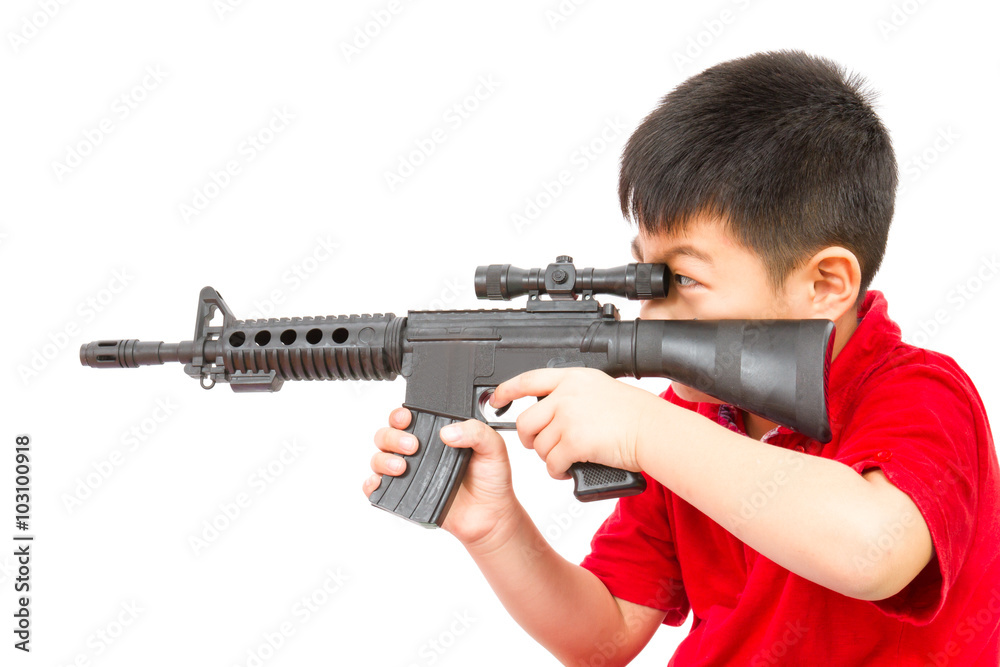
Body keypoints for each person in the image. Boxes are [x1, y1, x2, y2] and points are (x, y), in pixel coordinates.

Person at [363, 50, 999, 665]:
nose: (652, 308)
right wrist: (498, 531)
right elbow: (603, 637)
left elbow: (874, 550)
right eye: (646, 274)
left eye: (685, 278)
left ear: (825, 284)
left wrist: (644, 430)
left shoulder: (920, 394)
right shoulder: (688, 418)